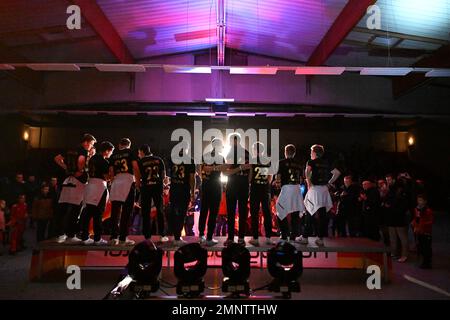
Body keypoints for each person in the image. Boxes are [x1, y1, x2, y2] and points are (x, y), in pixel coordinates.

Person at [54, 133, 96, 244]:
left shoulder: (70, 149)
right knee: (75, 209)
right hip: (78, 182)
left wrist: (67, 168)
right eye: (91, 144)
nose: (91, 146)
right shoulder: (83, 151)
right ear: (86, 142)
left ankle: (60, 234)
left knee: (63, 209)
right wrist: (80, 170)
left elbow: (57, 158)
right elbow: (81, 162)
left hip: (67, 180)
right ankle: (70, 235)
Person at [302, 144, 341, 246]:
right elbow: (337, 173)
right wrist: (329, 183)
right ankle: (320, 239)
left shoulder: (311, 162)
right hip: (324, 190)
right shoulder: (326, 163)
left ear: (314, 152)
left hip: (315, 190)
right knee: (322, 215)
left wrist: (308, 182)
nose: (310, 154)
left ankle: (305, 237)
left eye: (311, 152)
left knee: (309, 212)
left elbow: (307, 171)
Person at [80, 141, 114, 245]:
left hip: (90, 186)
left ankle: (85, 237)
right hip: (99, 187)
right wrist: (112, 176)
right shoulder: (103, 161)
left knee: (87, 212)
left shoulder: (92, 159)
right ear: (107, 151)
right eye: (111, 152)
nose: (111, 154)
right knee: (98, 213)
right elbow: (106, 177)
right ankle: (97, 238)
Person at [109, 138, 141, 246]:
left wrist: (113, 182)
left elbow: (111, 172)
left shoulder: (114, 154)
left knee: (115, 211)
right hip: (128, 181)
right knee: (126, 212)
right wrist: (137, 182)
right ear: (129, 145)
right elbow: (135, 167)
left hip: (117, 181)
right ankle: (123, 238)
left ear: (119, 145)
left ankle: (113, 237)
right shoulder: (131, 152)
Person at [224, 134, 251, 246]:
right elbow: (250, 171)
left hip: (233, 184)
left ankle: (232, 238)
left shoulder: (231, 152)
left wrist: (237, 169)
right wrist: (247, 182)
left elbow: (227, 172)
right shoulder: (246, 152)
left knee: (232, 213)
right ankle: (240, 238)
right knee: (242, 213)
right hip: (243, 185)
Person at [198, 138, 226, 246]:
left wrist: (209, 171)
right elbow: (223, 171)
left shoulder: (204, 156)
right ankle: (209, 237)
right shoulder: (220, 157)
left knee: (204, 211)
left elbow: (201, 171)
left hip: (205, 185)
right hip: (215, 186)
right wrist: (217, 168)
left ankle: (201, 235)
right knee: (213, 213)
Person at [275, 144, 305, 243]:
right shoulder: (299, 163)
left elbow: (278, 177)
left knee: (280, 209)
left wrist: (278, 186)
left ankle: (284, 234)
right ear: (294, 153)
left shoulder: (281, 162)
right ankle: (294, 234)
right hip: (297, 188)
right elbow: (301, 179)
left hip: (287, 188)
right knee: (295, 211)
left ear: (285, 152)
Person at [138, 144, 168, 242]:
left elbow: (138, 176)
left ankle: (147, 236)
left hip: (146, 187)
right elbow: (164, 175)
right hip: (157, 187)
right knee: (160, 211)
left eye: (139, 153)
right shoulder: (159, 159)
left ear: (142, 152)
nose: (139, 155)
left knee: (145, 212)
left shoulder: (141, 161)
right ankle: (162, 235)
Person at [168, 143, 196, 246]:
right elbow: (192, 178)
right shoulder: (190, 160)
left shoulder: (172, 159)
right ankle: (177, 237)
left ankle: (173, 234)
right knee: (182, 214)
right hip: (184, 191)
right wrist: (192, 193)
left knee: (174, 213)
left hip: (174, 189)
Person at [249, 142, 273, 246]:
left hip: (255, 189)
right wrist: (266, 185)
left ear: (255, 150)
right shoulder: (268, 160)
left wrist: (251, 183)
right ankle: (268, 238)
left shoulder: (252, 161)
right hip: (265, 189)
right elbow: (270, 177)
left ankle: (255, 238)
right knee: (267, 214)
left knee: (254, 214)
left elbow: (250, 177)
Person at [385, 173, 409, 262]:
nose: (388, 182)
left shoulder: (400, 190)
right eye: (387, 180)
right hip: (391, 218)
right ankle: (394, 253)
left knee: (403, 237)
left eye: (389, 180)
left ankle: (404, 255)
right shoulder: (389, 190)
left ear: (394, 180)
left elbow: (403, 205)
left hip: (399, 218)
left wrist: (391, 206)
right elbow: (387, 201)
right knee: (393, 237)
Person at [411, 194, 433, 269]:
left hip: (426, 231)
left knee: (426, 248)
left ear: (425, 201)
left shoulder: (428, 210)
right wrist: (414, 223)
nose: (419, 202)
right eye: (418, 200)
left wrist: (422, 224)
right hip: (419, 231)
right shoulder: (416, 209)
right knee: (421, 246)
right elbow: (416, 218)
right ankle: (423, 261)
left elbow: (430, 221)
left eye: (421, 200)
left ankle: (427, 263)